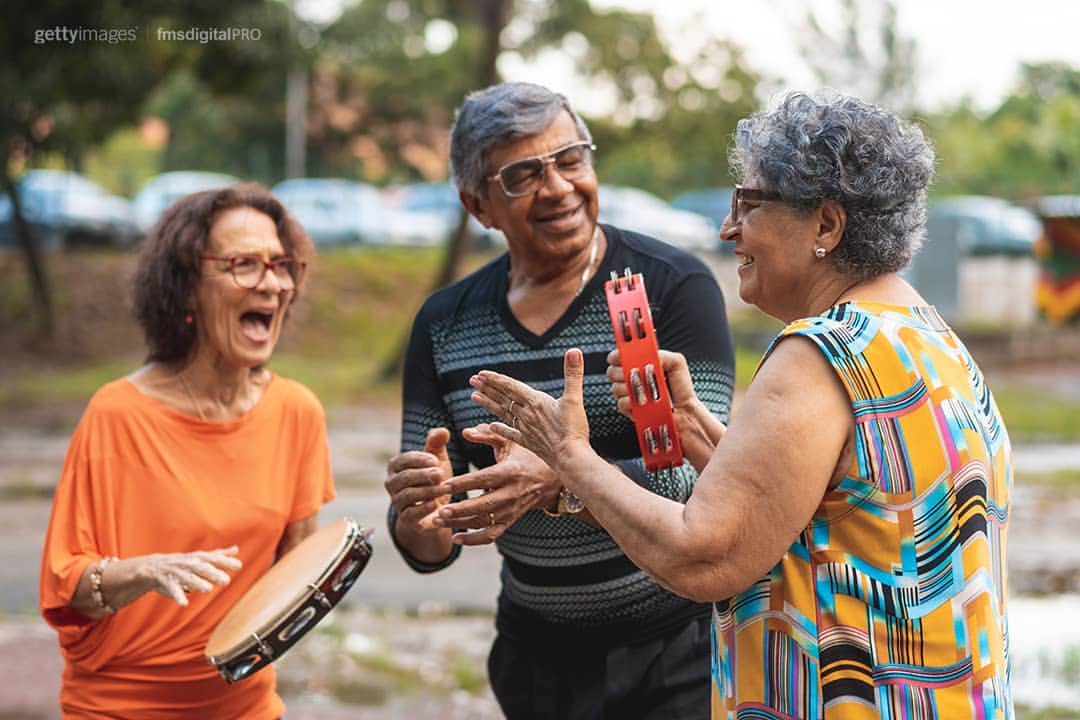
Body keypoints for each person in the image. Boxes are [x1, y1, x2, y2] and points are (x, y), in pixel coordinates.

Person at [469, 91, 1014, 719]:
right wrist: (692, 424)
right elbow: (816, 510)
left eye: (748, 205)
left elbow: (703, 557)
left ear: (826, 226)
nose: (729, 230)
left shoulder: (819, 354)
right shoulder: (925, 334)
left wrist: (568, 456)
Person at [384, 81, 735, 719]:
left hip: (678, 652)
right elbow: (430, 543)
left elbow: (712, 485)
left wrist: (560, 477)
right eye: (523, 175)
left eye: (570, 158)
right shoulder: (445, 324)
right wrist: (420, 513)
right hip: (536, 663)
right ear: (478, 205)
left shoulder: (670, 287)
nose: (558, 187)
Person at [39, 184, 336, 718]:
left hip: (245, 706)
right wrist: (143, 572)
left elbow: (291, 584)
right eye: (244, 264)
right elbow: (68, 591)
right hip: (119, 706)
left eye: (280, 265)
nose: (271, 283)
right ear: (187, 287)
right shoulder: (117, 414)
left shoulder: (297, 412)